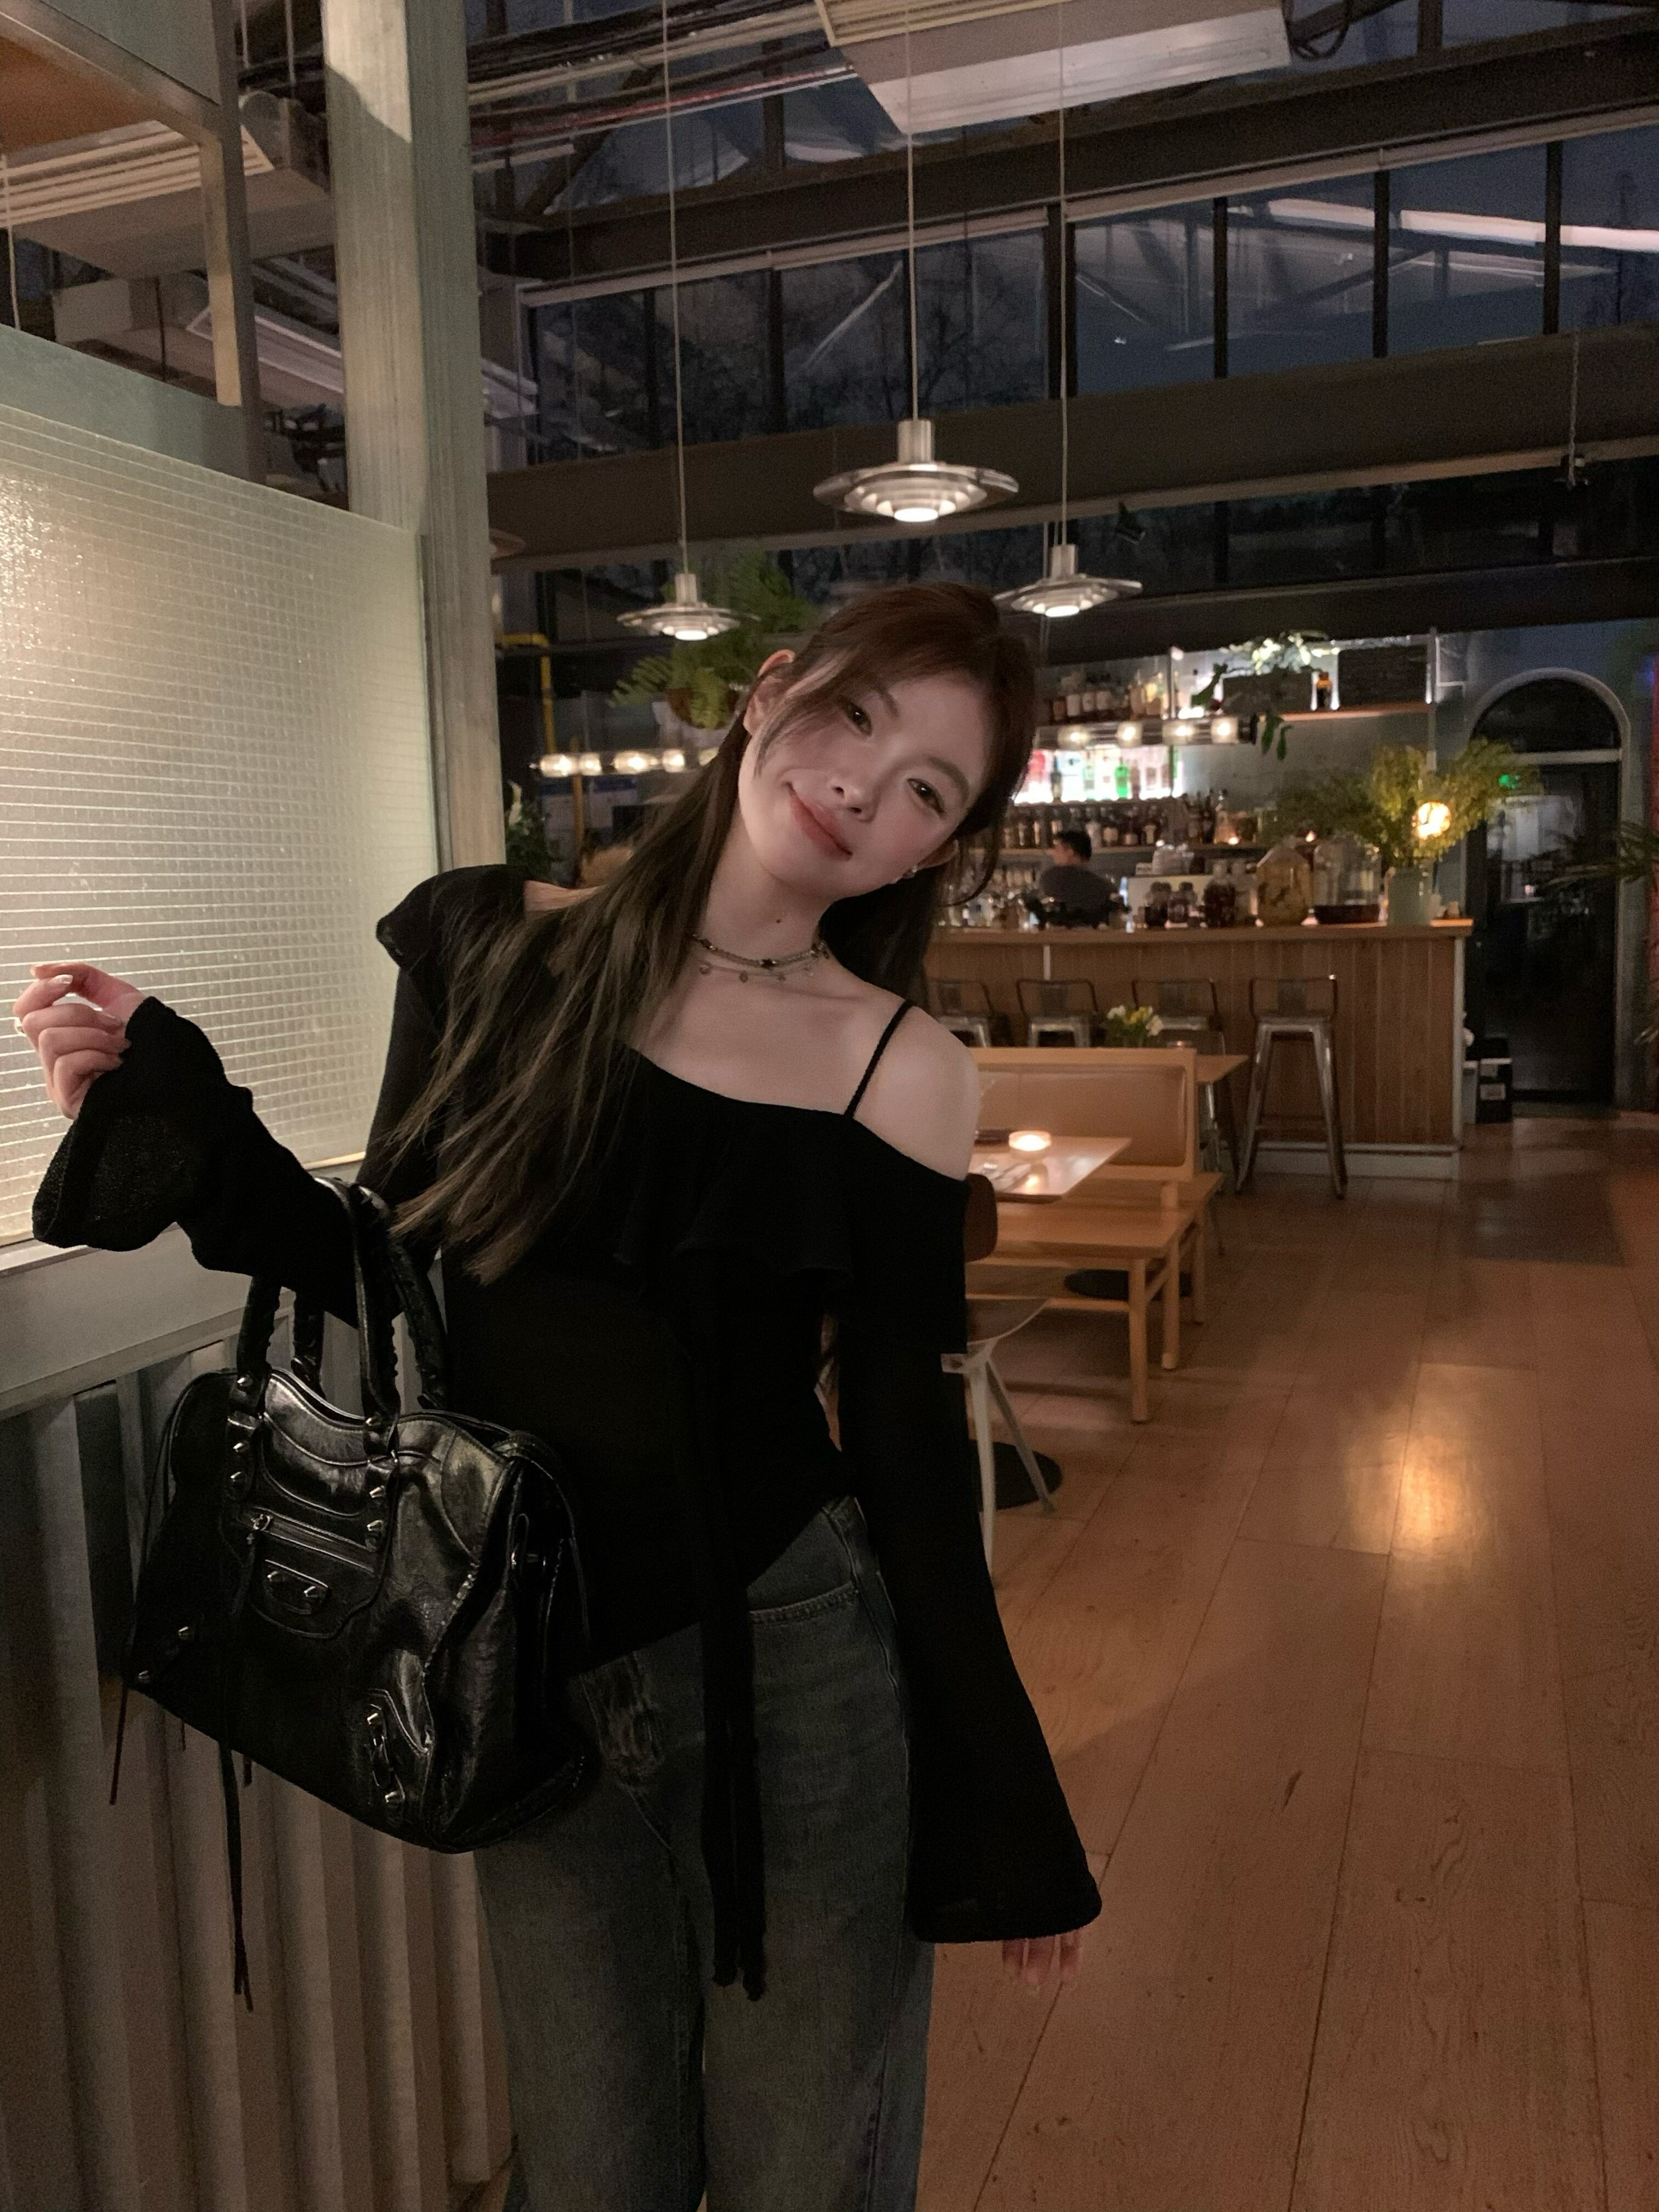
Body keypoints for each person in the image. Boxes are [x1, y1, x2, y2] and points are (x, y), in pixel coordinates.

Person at [15, 583, 1099, 2212]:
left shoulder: (905, 1072)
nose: (865, 787)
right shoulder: (486, 943)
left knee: (812, 2178)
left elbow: (903, 1445)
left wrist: (1004, 1788)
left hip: (797, 1675)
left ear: (931, 852)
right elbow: (385, 1273)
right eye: (857, 719)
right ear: (771, 690)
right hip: (522, 1665)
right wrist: (185, 1116)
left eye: (929, 790)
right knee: (591, 2175)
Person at [1037, 826, 1117, 921]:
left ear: (1070, 852)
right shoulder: (1104, 886)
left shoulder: (1051, 878)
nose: (1052, 853)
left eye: (1057, 849)